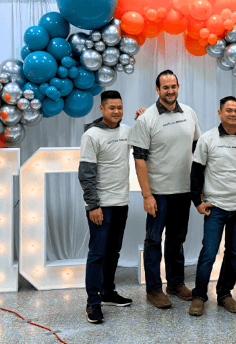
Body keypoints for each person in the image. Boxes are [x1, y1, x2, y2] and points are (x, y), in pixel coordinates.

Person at [128, 69, 202, 309]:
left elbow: (199, 150)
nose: (170, 91)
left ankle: (175, 283)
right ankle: (153, 289)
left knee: (177, 240)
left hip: (184, 190)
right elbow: (139, 159)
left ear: (178, 87)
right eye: (165, 87)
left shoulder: (189, 113)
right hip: (158, 192)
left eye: (174, 86)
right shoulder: (146, 118)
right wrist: (147, 194)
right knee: (153, 240)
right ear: (157, 90)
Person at [188, 96, 236, 317]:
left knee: (233, 254)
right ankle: (199, 296)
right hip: (215, 207)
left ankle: (224, 294)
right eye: (228, 110)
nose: (233, 114)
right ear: (219, 113)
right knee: (208, 253)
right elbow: (196, 172)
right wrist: (197, 202)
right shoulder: (207, 139)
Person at [78, 90, 133, 324]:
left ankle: (108, 292)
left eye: (120, 107)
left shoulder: (127, 131)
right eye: (112, 108)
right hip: (101, 206)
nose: (117, 111)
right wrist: (93, 205)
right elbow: (86, 174)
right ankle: (93, 301)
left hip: (122, 203)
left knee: (114, 252)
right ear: (102, 109)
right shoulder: (91, 135)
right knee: (97, 254)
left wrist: (142, 118)